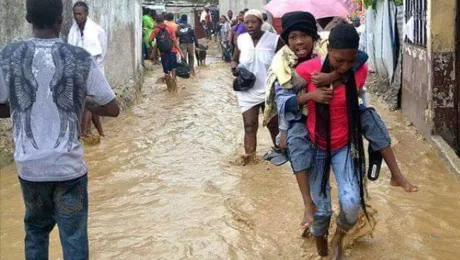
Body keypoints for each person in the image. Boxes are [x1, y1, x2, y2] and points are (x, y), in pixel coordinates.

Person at [0, 0, 120, 259]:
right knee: (74, 237)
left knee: (35, 231)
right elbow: (112, 108)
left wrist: (22, 107)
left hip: (29, 168)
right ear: (60, 21)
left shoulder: (8, 55)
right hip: (68, 170)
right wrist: (83, 101)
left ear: (28, 18)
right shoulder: (80, 57)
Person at [231, 9, 284, 165]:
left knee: (273, 125)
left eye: (253, 22)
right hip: (247, 90)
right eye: (247, 22)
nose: (250, 25)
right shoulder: (241, 39)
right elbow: (235, 59)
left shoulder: (274, 40)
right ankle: (250, 159)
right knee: (249, 125)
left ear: (261, 23)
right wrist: (234, 68)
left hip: (270, 90)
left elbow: (285, 60)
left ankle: (281, 155)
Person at [68, 1, 107, 139]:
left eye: (79, 14)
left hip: (93, 72)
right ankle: (101, 133)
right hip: (77, 73)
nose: (77, 16)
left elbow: (102, 54)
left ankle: (84, 133)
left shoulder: (98, 30)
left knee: (89, 103)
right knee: (90, 104)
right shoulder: (73, 32)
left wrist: (94, 75)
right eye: (75, 14)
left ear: (86, 14)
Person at [150, 14, 182, 93]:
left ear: (156, 21)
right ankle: (175, 88)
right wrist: (180, 52)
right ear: (163, 20)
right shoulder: (170, 29)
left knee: (166, 72)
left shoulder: (155, 30)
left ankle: (169, 90)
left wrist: (154, 48)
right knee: (173, 69)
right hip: (173, 52)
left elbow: (149, 40)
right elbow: (174, 41)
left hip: (163, 54)